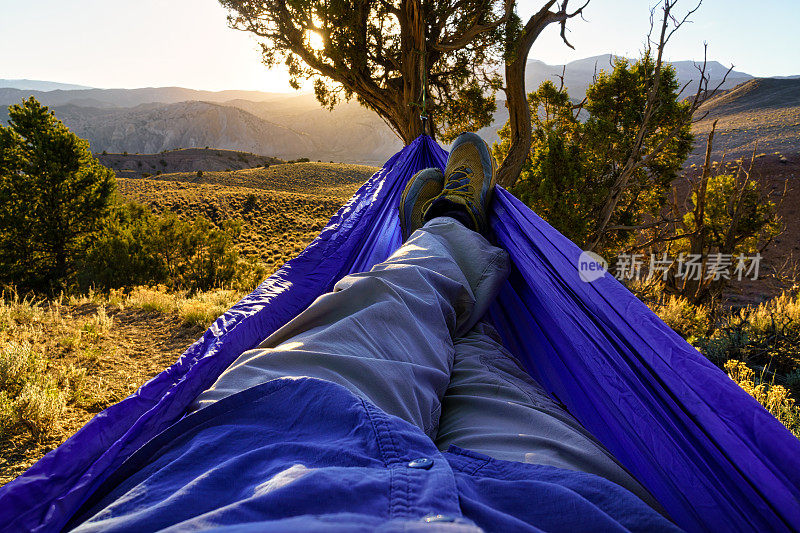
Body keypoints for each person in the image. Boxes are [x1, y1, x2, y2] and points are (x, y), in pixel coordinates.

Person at [68, 133, 679, 532]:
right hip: (547, 508)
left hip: (246, 469)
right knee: (477, 363)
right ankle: (451, 235)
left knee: (378, 316)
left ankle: (446, 253)